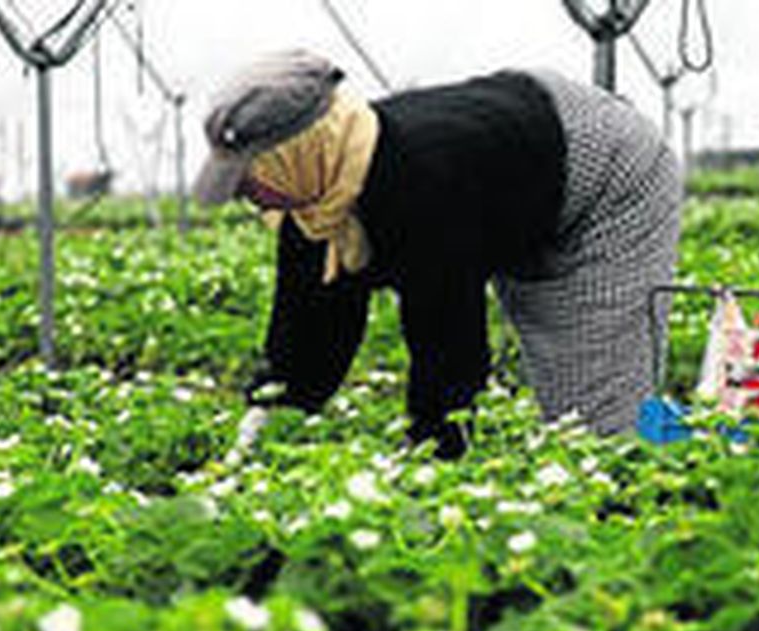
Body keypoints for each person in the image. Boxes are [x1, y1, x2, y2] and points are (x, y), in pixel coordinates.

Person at [194, 50, 683, 459]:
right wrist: (264, 420)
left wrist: (431, 453)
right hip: (513, 166)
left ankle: (627, 515)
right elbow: (311, 328)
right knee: (561, 390)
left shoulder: (422, 178)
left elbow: (449, 341)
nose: (245, 195)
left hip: (607, 172)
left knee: (596, 405)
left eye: (248, 178)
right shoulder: (318, 196)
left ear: (295, 154)